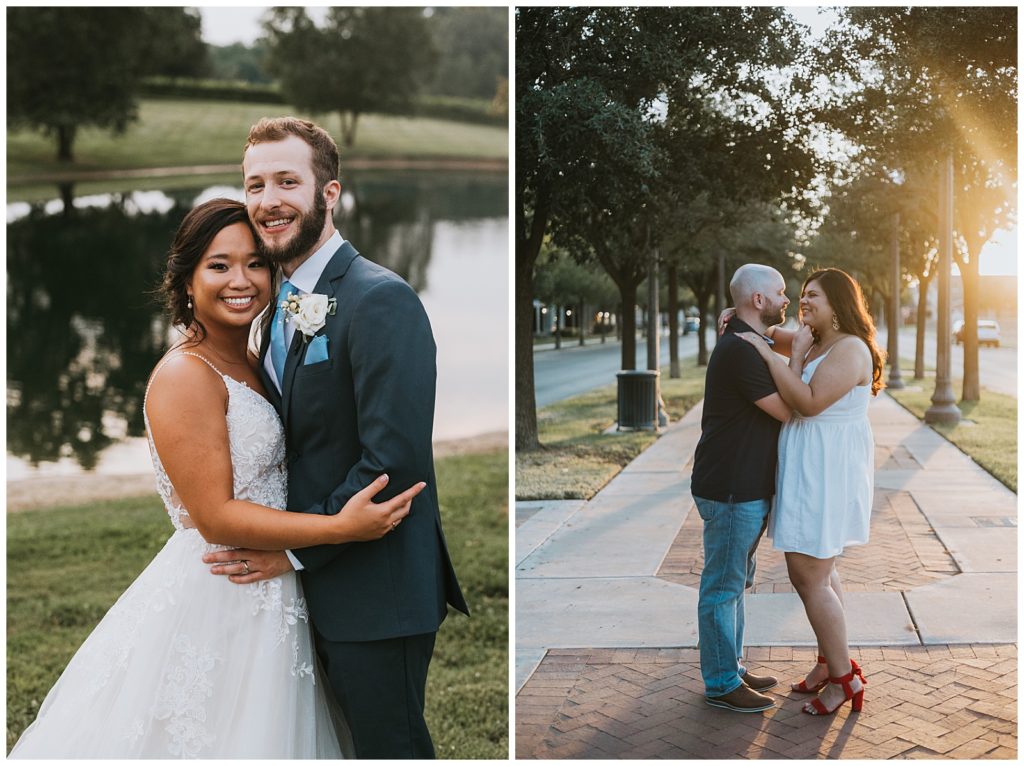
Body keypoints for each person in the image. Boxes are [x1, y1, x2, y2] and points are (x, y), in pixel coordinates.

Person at [10, 199, 426, 758]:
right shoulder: (186, 374)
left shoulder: (254, 355)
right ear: (185, 281)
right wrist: (339, 529)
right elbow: (214, 516)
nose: (242, 280)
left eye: (255, 263)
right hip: (221, 592)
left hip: (277, 587)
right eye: (219, 265)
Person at [200, 117, 469, 759]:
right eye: (255, 184)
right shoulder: (283, 297)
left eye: (288, 181)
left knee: (387, 748)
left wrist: (291, 553)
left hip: (376, 589)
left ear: (329, 192)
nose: (269, 201)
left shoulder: (381, 299)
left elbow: (393, 463)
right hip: (311, 585)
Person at [735, 267, 882, 716]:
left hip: (827, 471)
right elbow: (772, 331)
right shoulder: (813, 339)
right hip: (809, 467)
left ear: (838, 302)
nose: (804, 301)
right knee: (821, 570)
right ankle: (827, 663)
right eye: (800, 295)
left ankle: (844, 680)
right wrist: (742, 319)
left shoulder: (851, 349)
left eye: (813, 295)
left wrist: (768, 357)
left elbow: (808, 401)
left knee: (807, 575)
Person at [689, 263, 792, 713]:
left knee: (736, 582)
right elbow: (790, 410)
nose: (787, 299)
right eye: (781, 292)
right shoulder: (742, 352)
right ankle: (721, 682)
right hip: (730, 487)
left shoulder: (751, 342)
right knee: (723, 586)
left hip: (741, 485)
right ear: (758, 300)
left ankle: (731, 664)